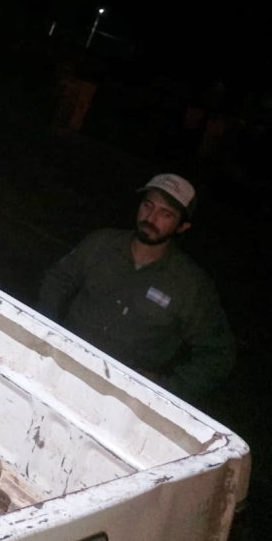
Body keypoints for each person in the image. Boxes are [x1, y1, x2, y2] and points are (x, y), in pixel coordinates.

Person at [38, 173, 235, 404]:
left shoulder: (191, 285)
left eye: (165, 214)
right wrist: (45, 327)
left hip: (120, 398)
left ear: (182, 227)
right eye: (148, 205)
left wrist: (166, 387)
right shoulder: (101, 243)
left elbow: (218, 353)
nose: (151, 218)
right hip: (60, 363)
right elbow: (59, 279)